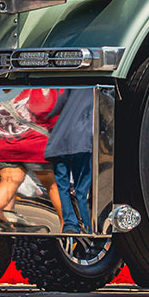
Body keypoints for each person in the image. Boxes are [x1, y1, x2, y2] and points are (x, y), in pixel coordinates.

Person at [0, 87, 66, 231]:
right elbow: (55, 117)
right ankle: (64, 222)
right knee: (52, 185)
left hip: (6, 145)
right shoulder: (43, 92)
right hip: (35, 146)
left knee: (9, 181)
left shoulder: (0, 104)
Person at [45, 86, 95, 232]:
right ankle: (87, 226)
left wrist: (46, 119)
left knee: (63, 187)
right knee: (82, 189)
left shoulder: (72, 88)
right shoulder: (91, 90)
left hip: (58, 143)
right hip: (81, 143)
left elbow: (57, 107)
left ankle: (71, 224)